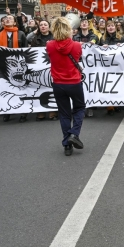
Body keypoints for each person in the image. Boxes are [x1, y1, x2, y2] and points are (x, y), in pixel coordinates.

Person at [46, 17, 85, 156]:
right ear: (68, 30)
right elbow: (78, 57)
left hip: (58, 84)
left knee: (64, 114)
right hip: (74, 82)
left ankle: (67, 145)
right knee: (79, 108)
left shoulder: (49, 45)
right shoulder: (77, 45)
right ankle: (74, 133)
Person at [0, 14, 28, 122]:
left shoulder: (21, 34)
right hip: (4, 67)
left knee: (21, 88)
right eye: (6, 19)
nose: (7, 20)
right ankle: (7, 111)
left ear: (14, 22)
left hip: (18, 66)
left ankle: (23, 112)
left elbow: (25, 50)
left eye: (10, 19)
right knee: (6, 88)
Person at [31, 20, 58, 121]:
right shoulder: (35, 39)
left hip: (53, 65)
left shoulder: (55, 38)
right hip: (39, 67)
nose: (43, 26)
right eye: (41, 25)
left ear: (49, 27)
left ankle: (53, 111)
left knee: (52, 87)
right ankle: (40, 111)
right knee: (39, 88)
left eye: (45, 25)